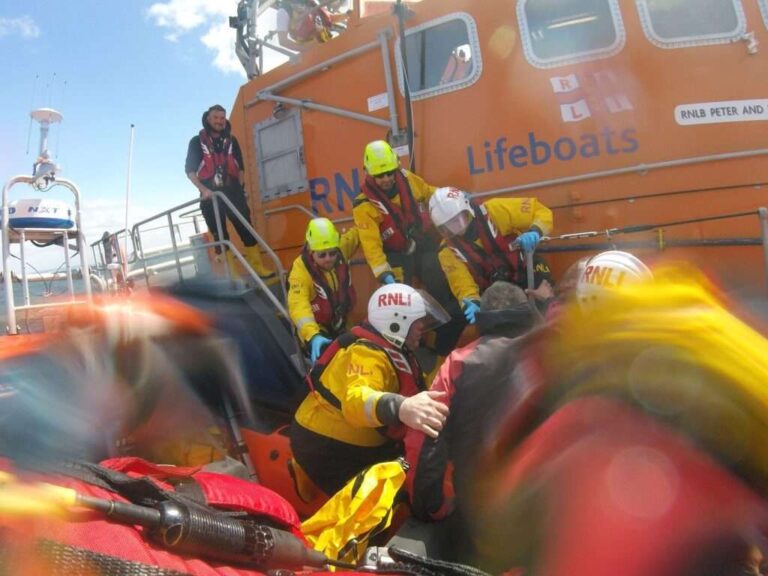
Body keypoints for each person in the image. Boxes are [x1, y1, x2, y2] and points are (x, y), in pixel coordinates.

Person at [396, 282, 535, 561]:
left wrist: (429, 505)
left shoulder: (457, 363)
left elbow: (426, 438)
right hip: (544, 492)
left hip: (480, 494)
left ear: (482, 318)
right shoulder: (553, 352)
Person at [289, 283, 451, 496]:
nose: (422, 331)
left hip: (365, 440)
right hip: (329, 447)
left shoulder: (397, 350)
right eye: (418, 325)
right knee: (379, 506)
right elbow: (357, 400)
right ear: (396, 324)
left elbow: (418, 388)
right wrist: (402, 407)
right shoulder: (366, 354)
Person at [353, 140, 464, 356]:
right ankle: (403, 351)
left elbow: (428, 192)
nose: (386, 179)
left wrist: (452, 197)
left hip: (423, 246)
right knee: (400, 306)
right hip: (396, 256)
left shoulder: (408, 180)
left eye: (389, 173)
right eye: (380, 175)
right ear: (368, 173)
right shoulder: (364, 206)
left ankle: (442, 341)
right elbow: (371, 245)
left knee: (438, 278)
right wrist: (383, 274)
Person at [428, 187, 554, 325]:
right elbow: (463, 285)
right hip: (498, 290)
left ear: (467, 209)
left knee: (546, 304)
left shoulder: (495, 210)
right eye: (450, 224)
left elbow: (539, 211)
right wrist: (472, 302)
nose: (457, 226)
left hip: (527, 270)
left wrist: (535, 231)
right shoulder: (447, 252)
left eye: (459, 218)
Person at [185, 104, 275, 282]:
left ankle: (258, 266)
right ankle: (232, 274)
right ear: (208, 119)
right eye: (215, 118)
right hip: (210, 195)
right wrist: (204, 190)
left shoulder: (231, 141)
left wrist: (240, 189)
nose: (219, 121)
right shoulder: (196, 142)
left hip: (233, 191)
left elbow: (240, 167)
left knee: (246, 228)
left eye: (222, 118)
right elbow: (190, 171)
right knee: (220, 234)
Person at [287, 217, 360, 363]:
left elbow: (356, 234)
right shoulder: (300, 271)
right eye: (322, 255)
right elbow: (298, 306)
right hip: (317, 331)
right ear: (310, 250)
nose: (328, 259)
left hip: (342, 324)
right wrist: (313, 336)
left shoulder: (340, 251)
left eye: (332, 253)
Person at [274, 0, 348, 52]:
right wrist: (305, 49)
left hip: (328, 45)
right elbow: (283, 41)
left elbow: (329, 18)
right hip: (313, 56)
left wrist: (347, 15)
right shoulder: (284, 11)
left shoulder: (310, 2)